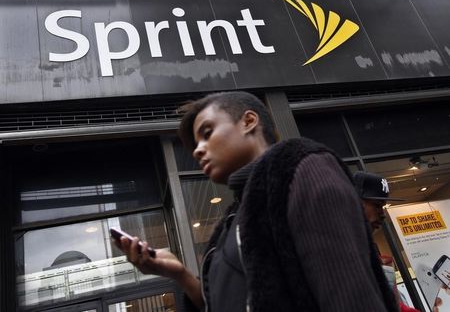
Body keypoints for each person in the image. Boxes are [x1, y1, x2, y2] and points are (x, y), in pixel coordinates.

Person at [114, 91, 398, 311]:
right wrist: (180, 275)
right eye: (196, 144)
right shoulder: (235, 220)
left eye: (207, 133)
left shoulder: (303, 168)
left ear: (249, 121)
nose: (198, 150)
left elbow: (350, 296)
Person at [354, 171, 420, 312]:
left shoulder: (365, 250)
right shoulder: (337, 251)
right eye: (377, 205)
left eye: (383, 207)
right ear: (354, 202)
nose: (383, 214)